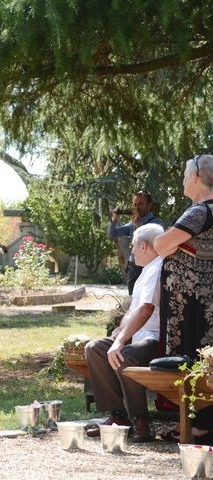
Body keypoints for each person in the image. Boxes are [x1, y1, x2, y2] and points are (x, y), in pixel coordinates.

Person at [85, 223, 165, 442]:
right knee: (95, 349)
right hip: (137, 338)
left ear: (145, 246)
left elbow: (146, 309)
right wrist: (119, 330)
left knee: (124, 356)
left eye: (133, 246)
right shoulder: (146, 270)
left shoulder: (157, 268)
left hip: (155, 340)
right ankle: (119, 417)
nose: (131, 252)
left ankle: (142, 421)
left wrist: (120, 341)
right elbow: (133, 309)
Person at [154, 154, 213, 444]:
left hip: (191, 305)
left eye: (185, 174)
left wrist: (164, 244)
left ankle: (196, 426)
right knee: (205, 360)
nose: (182, 180)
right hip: (204, 303)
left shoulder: (199, 211)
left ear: (197, 178)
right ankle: (199, 424)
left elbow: (160, 244)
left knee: (190, 361)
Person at [108, 191, 163, 294]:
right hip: (134, 269)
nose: (136, 207)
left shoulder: (157, 223)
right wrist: (114, 218)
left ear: (149, 205)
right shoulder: (132, 224)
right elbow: (112, 234)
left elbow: (150, 244)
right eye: (134, 204)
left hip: (150, 269)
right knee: (132, 300)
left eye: (140, 204)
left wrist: (137, 225)